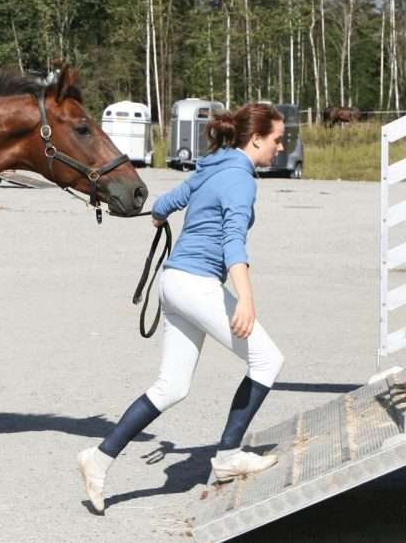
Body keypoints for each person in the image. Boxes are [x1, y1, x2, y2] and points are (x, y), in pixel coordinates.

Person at [76, 102, 287, 513]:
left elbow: (167, 202)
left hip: (173, 282)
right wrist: (245, 298)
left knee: (171, 387)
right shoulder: (241, 179)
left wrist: (158, 216)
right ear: (256, 139)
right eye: (277, 140)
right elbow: (233, 242)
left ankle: (98, 459)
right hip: (197, 284)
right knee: (267, 360)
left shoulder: (212, 166)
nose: (280, 147)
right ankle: (228, 456)